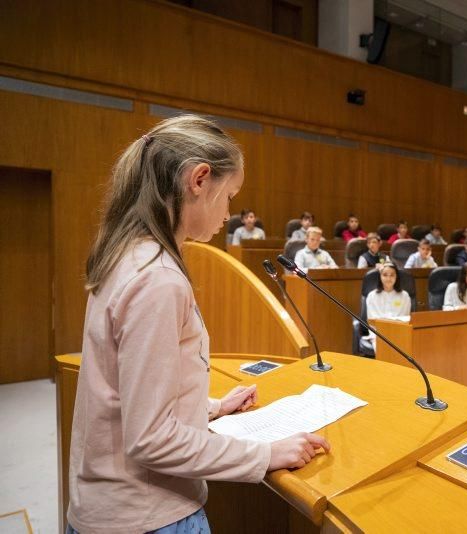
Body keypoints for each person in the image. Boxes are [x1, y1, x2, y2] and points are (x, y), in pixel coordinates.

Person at [70, 116, 330, 534]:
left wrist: (209, 408)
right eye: (229, 196)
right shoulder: (156, 278)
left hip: (113, 506)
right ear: (199, 179)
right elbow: (151, 438)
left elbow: (126, 390)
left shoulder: (128, 255)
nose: (228, 213)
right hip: (146, 515)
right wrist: (264, 455)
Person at [362, 264, 411, 352]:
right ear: (380, 277)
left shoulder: (404, 296)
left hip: (399, 332)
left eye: (392, 275)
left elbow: (405, 318)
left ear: (397, 277)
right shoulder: (372, 296)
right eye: (385, 275)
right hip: (379, 333)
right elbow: (372, 321)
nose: (388, 279)